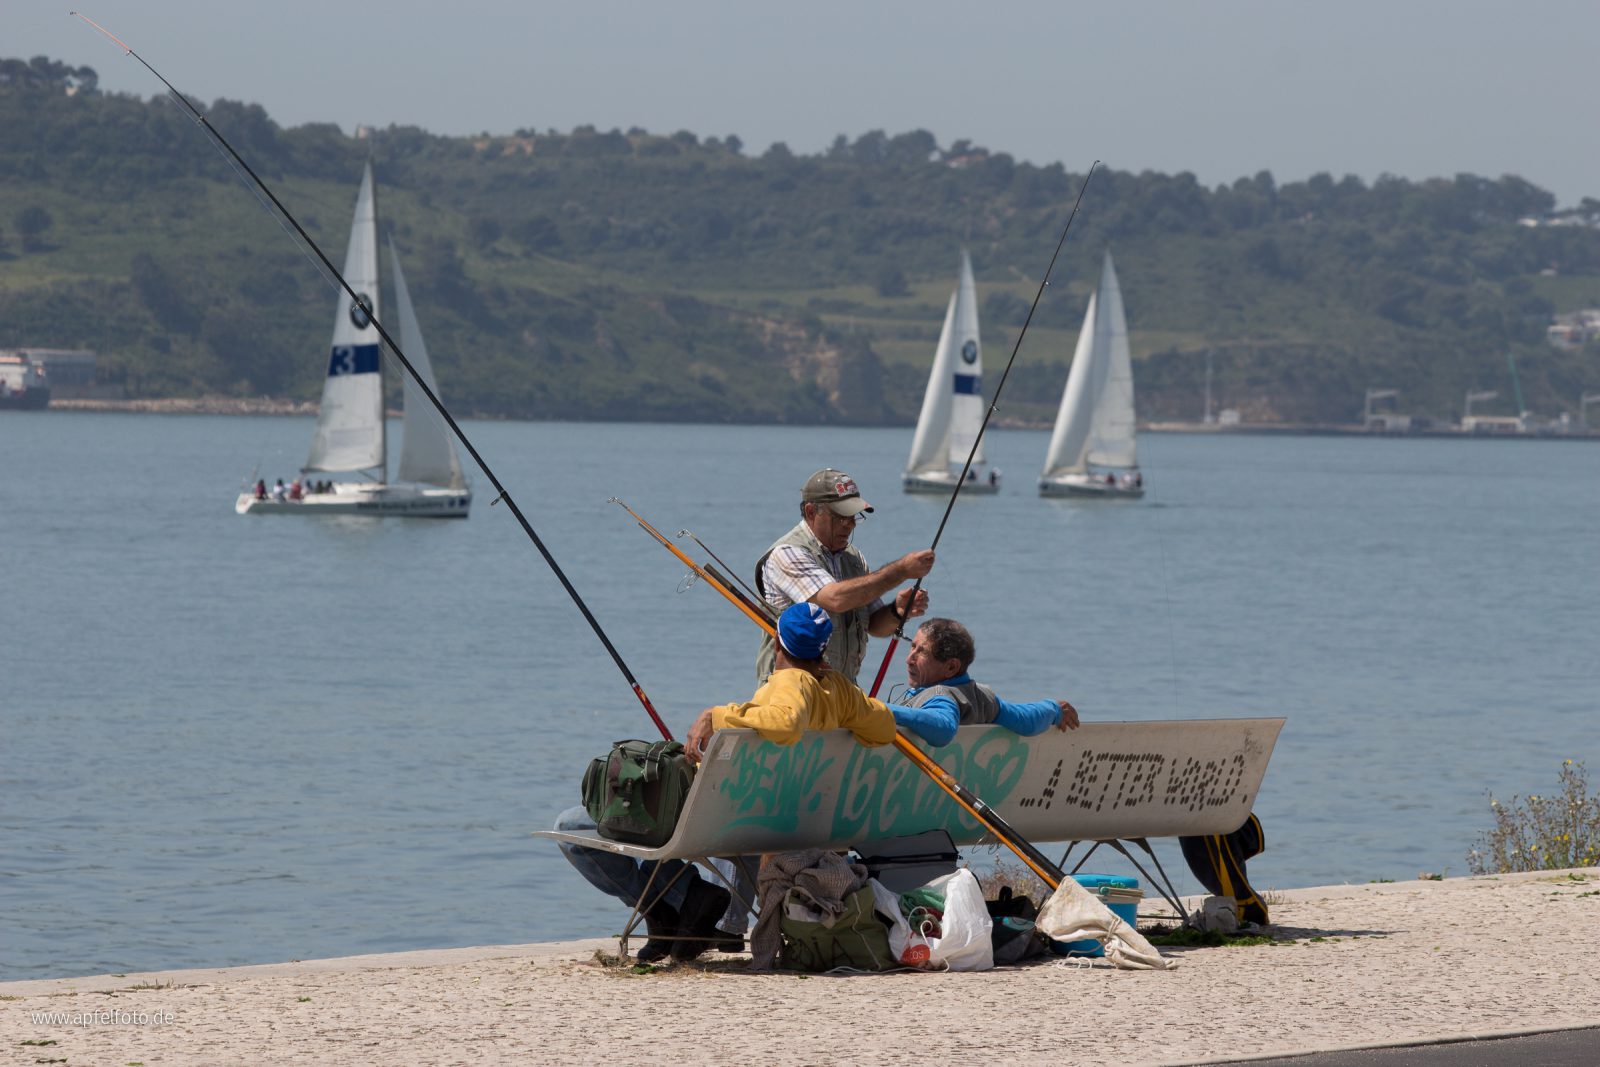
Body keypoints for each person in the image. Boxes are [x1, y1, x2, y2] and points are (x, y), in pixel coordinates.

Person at [755, 468, 933, 684]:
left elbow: (875, 625)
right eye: (840, 516)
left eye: (853, 516)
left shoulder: (854, 558)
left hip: (841, 694)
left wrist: (897, 611)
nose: (849, 524)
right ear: (811, 512)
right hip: (791, 696)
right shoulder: (787, 553)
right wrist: (901, 570)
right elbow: (835, 599)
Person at [686, 602, 899, 759]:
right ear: (823, 647)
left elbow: (786, 724)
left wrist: (715, 716)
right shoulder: (841, 688)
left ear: (777, 642)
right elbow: (886, 728)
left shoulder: (791, 681)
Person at [890, 617, 1079, 747]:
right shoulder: (980, 696)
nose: (909, 659)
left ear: (951, 667)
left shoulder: (940, 696)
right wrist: (1053, 709)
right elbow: (1024, 719)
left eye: (922, 652)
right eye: (912, 647)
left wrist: (878, 709)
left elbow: (944, 729)